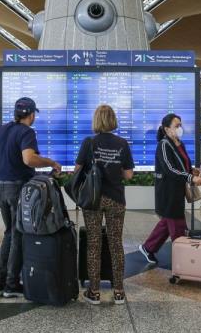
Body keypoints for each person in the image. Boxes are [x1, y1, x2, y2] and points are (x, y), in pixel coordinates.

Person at [0, 97, 61, 299]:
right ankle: (11, 284)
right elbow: (29, 159)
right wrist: (51, 162)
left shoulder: (3, 129)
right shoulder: (27, 132)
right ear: (31, 114)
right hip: (18, 189)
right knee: (17, 235)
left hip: (3, 188)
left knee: (9, 233)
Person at [74, 105, 134, 306]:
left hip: (93, 199)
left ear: (96, 120)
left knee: (94, 243)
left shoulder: (89, 142)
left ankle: (95, 292)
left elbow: (78, 170)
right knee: (116, 244)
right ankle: (118, 292)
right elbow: (128, 174)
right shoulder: (122, 143)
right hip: (116, 199)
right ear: (113, 120)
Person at [139, 113, 201, 265]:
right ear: (166, 129)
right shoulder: (163, 144)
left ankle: (148, 248)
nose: (180, 128)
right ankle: (184, 260)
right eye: (176, 125)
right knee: (177, 225)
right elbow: (169, 168)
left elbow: (183, 164)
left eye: (180, 125)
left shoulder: (179, 144)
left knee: (167, 222)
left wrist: (191, 171)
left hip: (177, 190)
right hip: (168, 191)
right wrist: (190, 178)